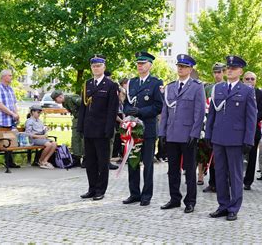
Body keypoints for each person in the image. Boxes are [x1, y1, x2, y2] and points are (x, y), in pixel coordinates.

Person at [205, 55, 257, 221]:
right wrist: (208, 134)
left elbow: (251, 118)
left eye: (233, 69)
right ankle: (223, 205)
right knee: (219, 173)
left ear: (240, 71)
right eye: (228, 68)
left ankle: (234, 207)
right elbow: (212, 113)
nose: (229, 71)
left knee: (235, 175)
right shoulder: (218, 88)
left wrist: (248, 140)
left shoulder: (247, 91)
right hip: (218, 137)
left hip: (236, 139)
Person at [158, 54, 206, 214]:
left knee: (190, 170)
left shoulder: (197, 86)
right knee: (172, 169)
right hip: (171, 134)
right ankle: (174, 198)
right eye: (179, 66)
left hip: (187, 135)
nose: (180, 69)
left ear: (190, 69)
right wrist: (162, 133)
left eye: (184, 66)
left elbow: (199, 113)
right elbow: (165, 111)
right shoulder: (170, 87)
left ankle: (190, 201)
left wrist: (195, 134)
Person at [122, 52, 163, 206]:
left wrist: (140, 112)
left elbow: (159, 106)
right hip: (132, 129)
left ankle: (146, 195)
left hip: (148, 129)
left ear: (150, 65)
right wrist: (128, 111)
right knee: (133, 163)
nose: (140, 66)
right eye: (138, 63)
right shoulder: (132, 82)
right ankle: (134, 193)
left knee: (147, 164)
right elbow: (126, 102)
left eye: (143, 63)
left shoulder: (155, 83)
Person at [77, 54, 119, 201]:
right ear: (91, 68)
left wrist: (109, 129)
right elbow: (83, 108)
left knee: (102, 162)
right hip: (89, 129)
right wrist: (80, 127)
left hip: (102, 130)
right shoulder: (87, 84)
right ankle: (92, 188)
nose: (96, 68)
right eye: (94, 66)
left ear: (104, 67)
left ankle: (101, 190)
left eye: (99, 66)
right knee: (90, 162)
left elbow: (112, 110)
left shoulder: (111, 85)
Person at [200, 62, 226, 193]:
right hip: (210, 126)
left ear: (224, 72)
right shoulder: (208, 88)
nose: (217, 75)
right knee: (211, 156)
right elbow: (204, 105)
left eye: (219, 72)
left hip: (223, 127)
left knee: (221, 158)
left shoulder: (227, 87)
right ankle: (212, 182)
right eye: (215, 72)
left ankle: (223, 183)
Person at [0, 69, 21, 170]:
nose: (11, 77)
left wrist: (16, 114)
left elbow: (14, 103)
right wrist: (12, 113)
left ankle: (9, 162)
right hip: (1, 121)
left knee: (10, 142)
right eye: (10, 76)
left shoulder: (10, 89)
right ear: (4, 77)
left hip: (11, 121)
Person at [242, 71, 262, 190]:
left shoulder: (261, 94)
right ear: (243, 80)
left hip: (253, 130)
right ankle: (233, 179)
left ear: (256, 81)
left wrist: (251, 119)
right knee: (236, 156)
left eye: (252, 79)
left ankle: (248, 181)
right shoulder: (238, 91)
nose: (250, 81)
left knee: (252, 157)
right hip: (238, 130)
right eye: (247, 79)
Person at [51, 89, 85, 167]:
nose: (56, 102)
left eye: (56, 100)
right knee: (75, 139)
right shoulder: (64, 103)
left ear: (60, 97)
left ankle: (86, 158)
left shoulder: (72, 98)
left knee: (84, 139)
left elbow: (84, 104)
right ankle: (77, 157)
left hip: (84, 119)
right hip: (77, 120)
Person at [25, 105, 57, 169]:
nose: (39, 114)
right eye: (38, 112)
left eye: (40, 113)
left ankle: (45, 161)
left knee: (54, 144)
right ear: (32, 112)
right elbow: (28, 134)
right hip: (34, 139)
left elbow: (42, 130)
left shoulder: (39, 121)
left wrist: (45, 130)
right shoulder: (29, 121)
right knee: (49, 144)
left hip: (42, 139)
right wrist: (41, 136)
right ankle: (40, 161)